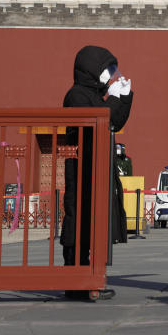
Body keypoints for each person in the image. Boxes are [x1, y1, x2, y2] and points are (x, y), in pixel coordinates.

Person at [62, 45, 133, 301]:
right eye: (106, 69)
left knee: (94, 226)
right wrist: (113, 100)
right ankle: (76, 283)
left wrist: (123, 98)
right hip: (83, 171)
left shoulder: (93, 95)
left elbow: (114, 123)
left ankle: (90, 281)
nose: (109, 74)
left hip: (97, 169)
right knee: (79, 224)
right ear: (91, 70)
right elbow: (97, 122)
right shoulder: (77, 95)